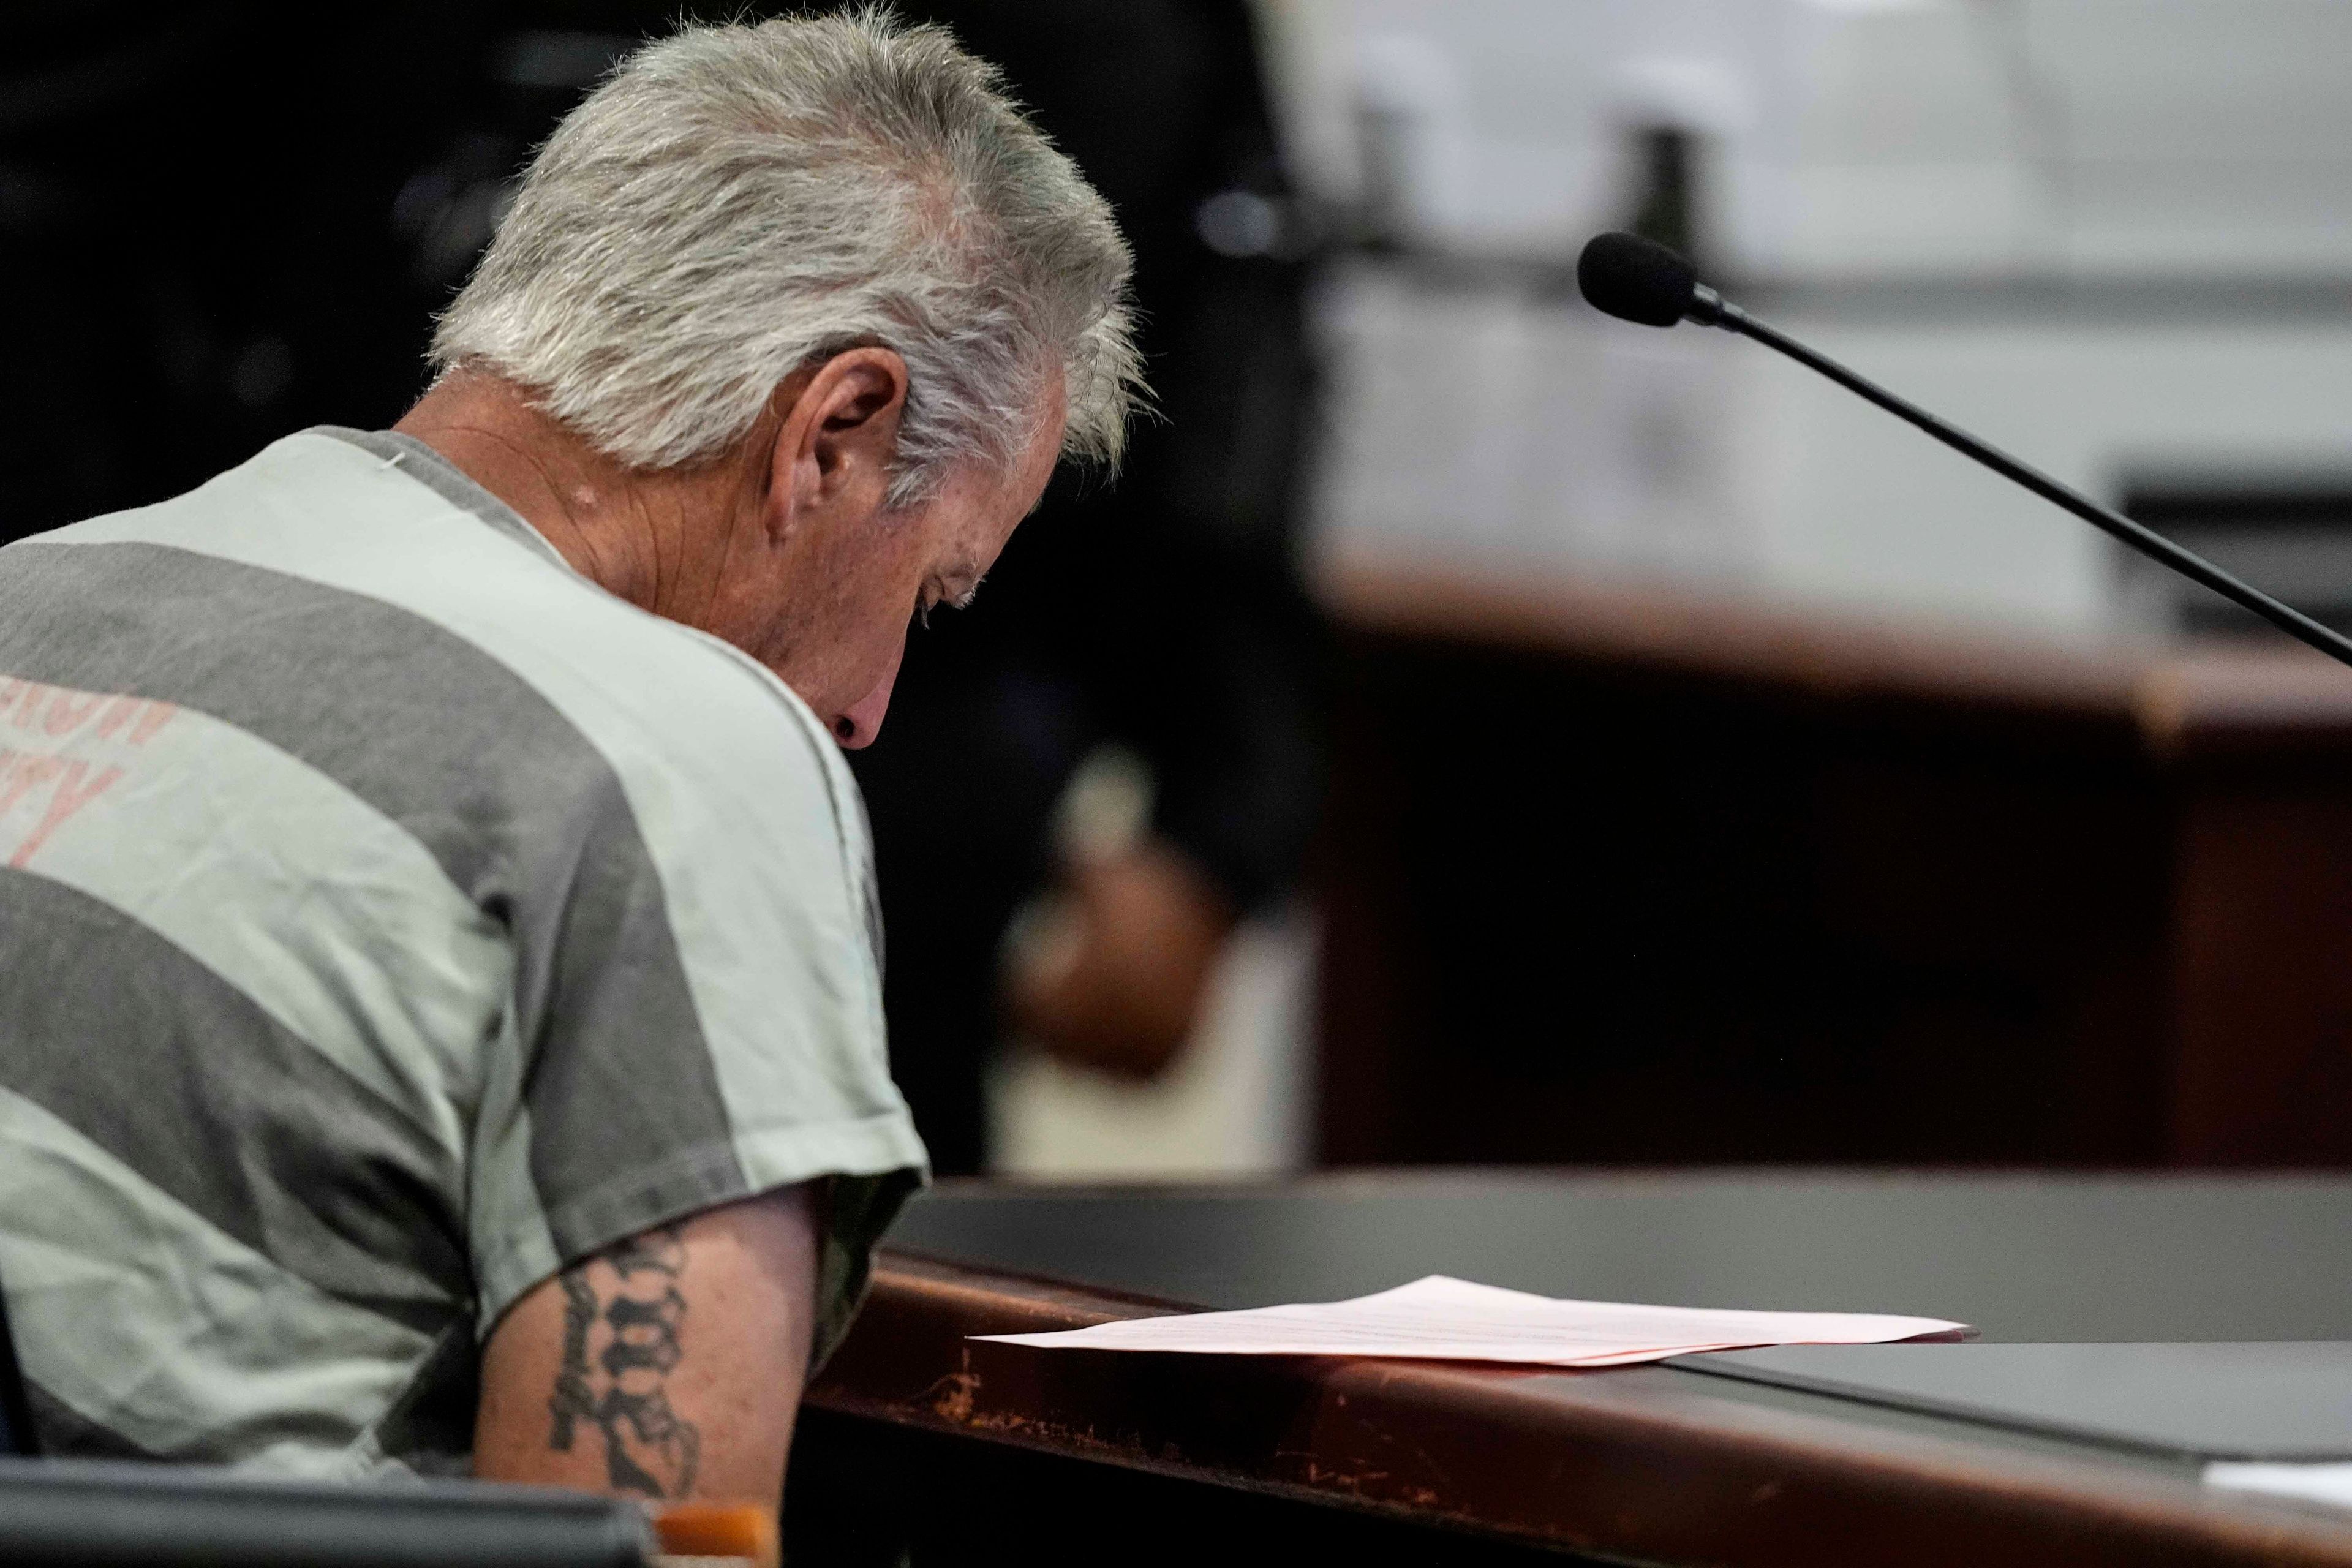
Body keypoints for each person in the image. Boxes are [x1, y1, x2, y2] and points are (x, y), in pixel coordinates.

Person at [0, 9, 1136, 1501]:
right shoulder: (685, 760)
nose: (867, 711)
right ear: (835, 431)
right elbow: (654, 1540)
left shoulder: (38, 590)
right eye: (931, 595)